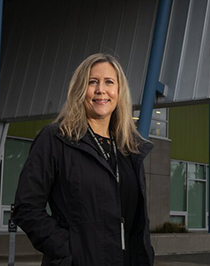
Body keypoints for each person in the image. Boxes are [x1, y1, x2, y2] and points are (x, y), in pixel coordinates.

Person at [13, 53, 154, 266]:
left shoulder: (128, 149)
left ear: (119, 91)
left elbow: (136, 222)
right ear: (80, 90)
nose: (101, 90)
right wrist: (71, 251)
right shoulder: (55, 138)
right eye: (92, 82)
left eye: (109, 82)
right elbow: (27, 208)